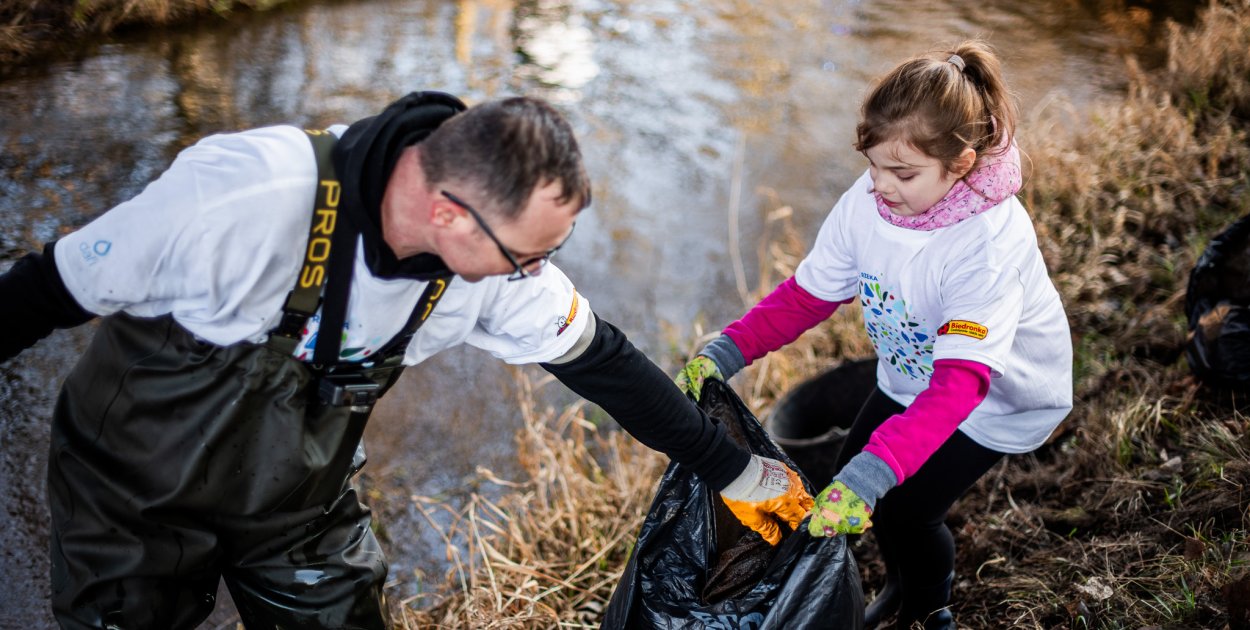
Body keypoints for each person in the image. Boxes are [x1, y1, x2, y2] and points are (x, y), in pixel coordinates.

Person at [0, 91, 813, 629]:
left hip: (296, 501)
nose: (535, 277)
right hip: (135, 490)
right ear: (446, 211)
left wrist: (733, 471)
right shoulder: (242, 198)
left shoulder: (490, 269)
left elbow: (604, 364)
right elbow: (40, 292)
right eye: (524, 257)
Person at [677, 41, 1073, 629]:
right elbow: (808, 296)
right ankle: (900, 581)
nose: (881, 185)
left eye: (903, 172)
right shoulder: (868, 204)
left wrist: (875, 474)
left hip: (993, 400)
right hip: (912, 380)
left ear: (960, 164)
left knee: (908, 508)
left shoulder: (986, 244)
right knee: (852, 470)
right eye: (873, 165)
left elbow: (961, 384)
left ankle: (930, 607)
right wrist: (728, 349)